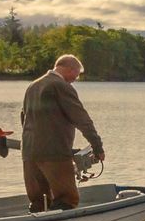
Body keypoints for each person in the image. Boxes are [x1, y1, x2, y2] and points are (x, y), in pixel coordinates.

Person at [20, 54, 104, 212]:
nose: (75, 79)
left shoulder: (33, 86)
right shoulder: (61, 86)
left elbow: (24, 118)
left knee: (39, 201)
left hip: (29, 153)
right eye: (76, 74)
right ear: (70, 68)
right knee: (67, 198)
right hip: (54, 154)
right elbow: (82, 119)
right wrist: (97, 147)